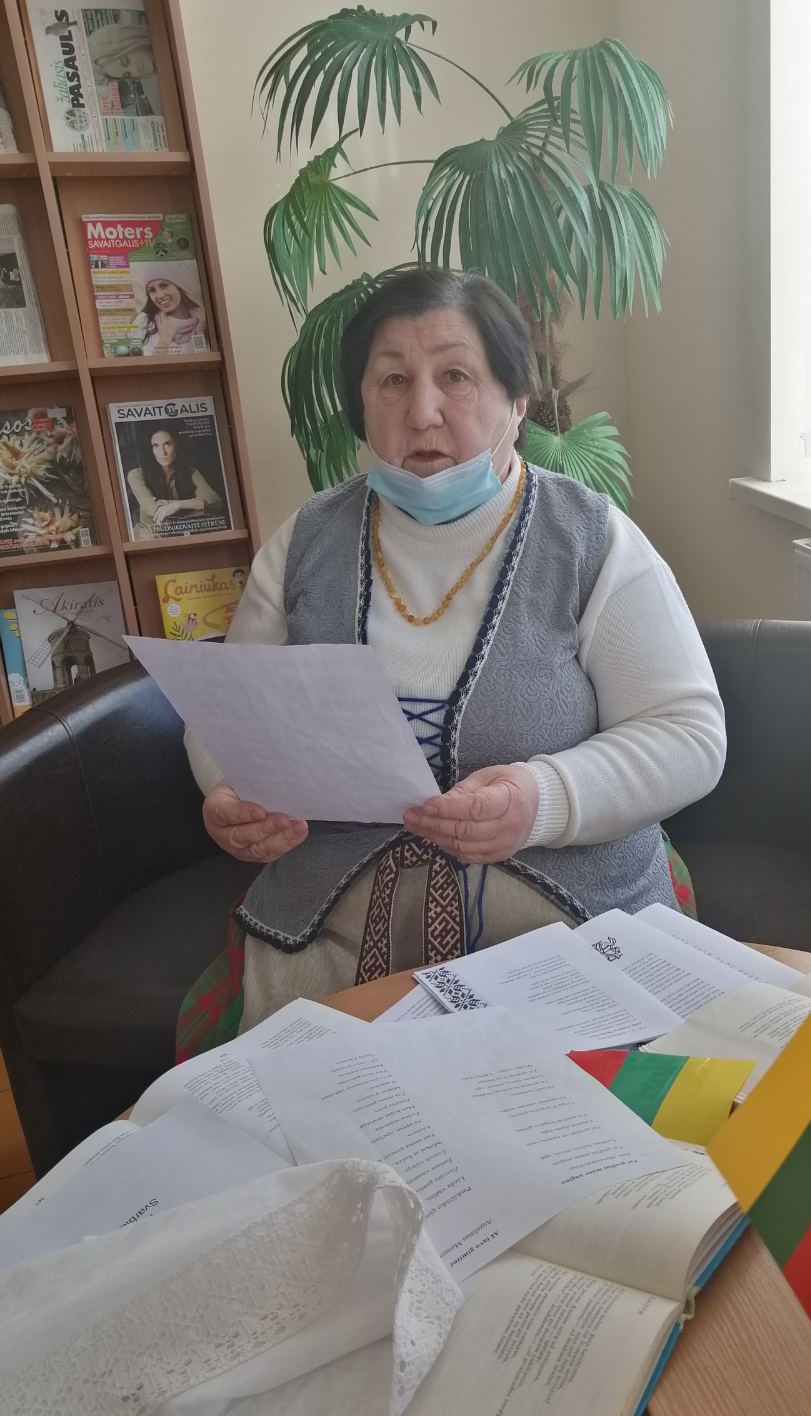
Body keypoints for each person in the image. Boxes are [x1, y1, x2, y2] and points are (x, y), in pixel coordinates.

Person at [184, 267, 726, 1033]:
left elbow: (689, 734)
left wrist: (542, 798)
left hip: (565, 918)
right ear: (361, 404)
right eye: (393, 380)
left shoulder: (591, 538)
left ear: (518, 400)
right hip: (334, 924)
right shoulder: (308, 539)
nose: (423, 411)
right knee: (308, 1095)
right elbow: (226, 712)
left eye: (456, 377)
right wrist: (232, 788)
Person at [124, 424, 225, 539]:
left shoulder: (191, 471)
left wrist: (178, 505)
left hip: (181, 536)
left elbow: (216, 501)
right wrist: (194, 504)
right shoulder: (136, 474)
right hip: (148, 537)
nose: (163, 453)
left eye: (168, 444)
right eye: (156, 445)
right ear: (150, 449)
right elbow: (150, 506)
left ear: (176, 445)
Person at [139, 277, 206, 354]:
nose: (159, 295)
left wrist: (199, 331)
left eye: (164, 285)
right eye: (152, 290)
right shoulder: (143, 322)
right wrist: (164, 340)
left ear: (180, 286)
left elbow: (203, 358)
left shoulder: (202, 320)